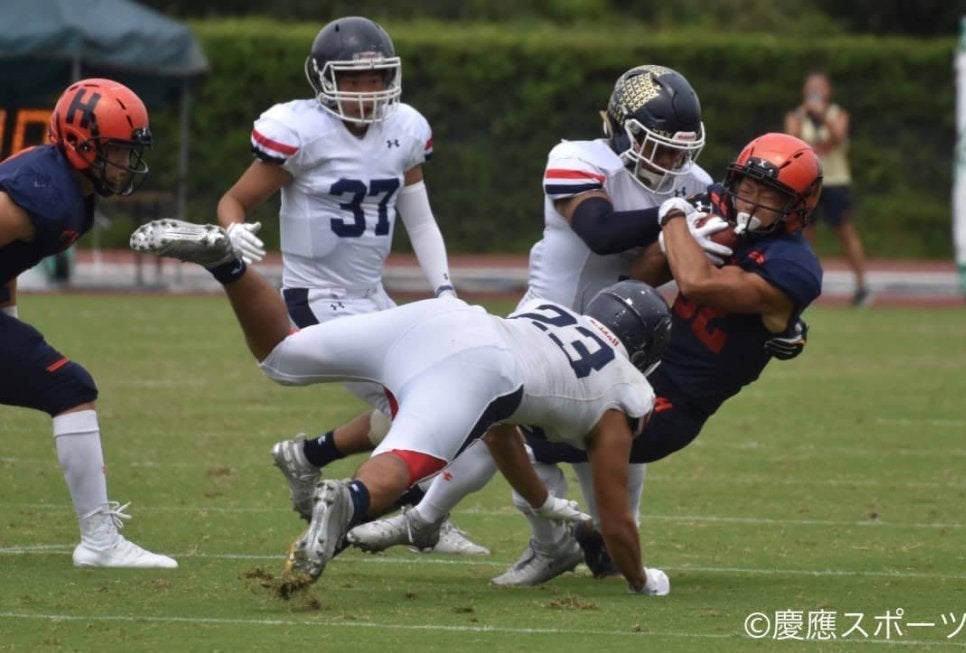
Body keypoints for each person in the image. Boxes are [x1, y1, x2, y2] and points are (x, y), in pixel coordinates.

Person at [348, 131, 820, 588]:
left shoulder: (792, 265)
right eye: (746, 186)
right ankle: (577, 541)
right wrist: (668, 243)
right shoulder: (705, 198)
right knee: (507, 417)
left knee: (515, 432)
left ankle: (461, 526)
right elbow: (637, 279)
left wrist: (675, 217)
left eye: (770, 195)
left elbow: (698, 284)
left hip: (674, 402)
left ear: (797, 206)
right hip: (628, 362)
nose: (750, 201)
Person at [130, 216, 676, 596]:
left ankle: (228, 264)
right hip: (481, 366)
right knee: (406, 460)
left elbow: (499, 430)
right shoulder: (623, 389)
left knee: (281, 355)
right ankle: (349, 500)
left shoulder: (559, 317)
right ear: (646, 351)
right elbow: (614, 520)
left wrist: (540, 500)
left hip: (445, 319)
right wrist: (641, 579)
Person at [346, 64, 714, 580]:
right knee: (498, 434)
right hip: (546, 326)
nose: (674, 163)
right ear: (622, 130)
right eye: (661, 147)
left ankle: (579, 543)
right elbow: (601, 231)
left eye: (682, 151)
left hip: (620, 340)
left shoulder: (695, 184)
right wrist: (673, 213)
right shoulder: (578, 160)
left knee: (615, 476)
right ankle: (450, 524)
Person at [213, 16, 484, 554]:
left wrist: (445, 290)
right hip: (315, 298)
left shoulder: (404, 130)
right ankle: (421, 518)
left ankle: (308, 457)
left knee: (415, 400)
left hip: (372, 298)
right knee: (425, 402)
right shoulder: (302, 131)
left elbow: (420, 220)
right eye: (352, 79)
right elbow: (233, 200)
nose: (365, 91)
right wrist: (232, 231)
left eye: (375, 78)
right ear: (323, 79)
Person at [0, 78, 177, 569]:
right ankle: (100, 543)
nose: (124, 162)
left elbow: (6, 261)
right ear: (80, 143)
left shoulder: (68, 189)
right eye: (116, 150)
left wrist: (11, 327)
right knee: (70, 387)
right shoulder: (45, 194)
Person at [784, 70, 869, 306]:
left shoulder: (838, 114)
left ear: (829, 91)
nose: (815, 90)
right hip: (806, 183)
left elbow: (838, 138)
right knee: (804, 234)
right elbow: (792, 142)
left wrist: (822, 116)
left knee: (845, 233)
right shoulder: (796, 115)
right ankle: (800, 284)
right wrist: (805, 116)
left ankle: (862, 286)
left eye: (820, 86)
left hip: (835, 181)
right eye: (811, 86)